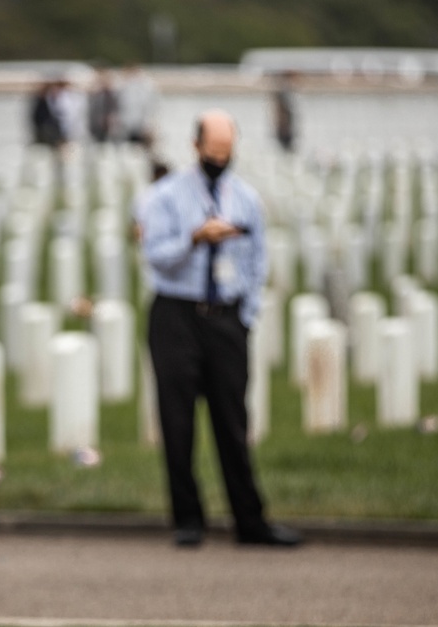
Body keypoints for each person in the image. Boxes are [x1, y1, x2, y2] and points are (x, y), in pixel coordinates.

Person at [139, 109, 301, 548]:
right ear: (196, 148)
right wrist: (195, 238)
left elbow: (257, 257)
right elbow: (155, 256)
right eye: (213, 152)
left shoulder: (245, 198)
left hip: (226, 317)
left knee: (233, 422)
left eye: (227, 152)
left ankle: (251, 521)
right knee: (178, 422)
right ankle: (188, 519)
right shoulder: (165, 196)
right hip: (176, 313)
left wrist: (245, 314)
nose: (220, 158)